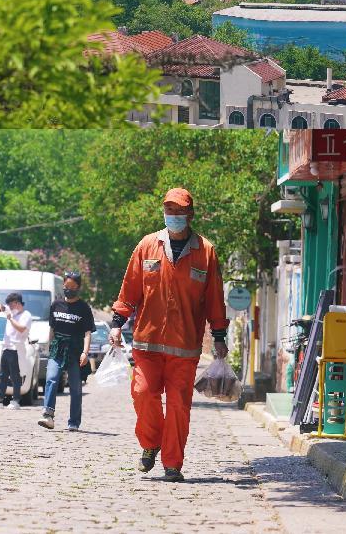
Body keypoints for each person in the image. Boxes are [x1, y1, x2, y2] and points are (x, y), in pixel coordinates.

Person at [107, 187, 229, 482]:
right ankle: (150, 444)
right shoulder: (148, 245)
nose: (173, 216)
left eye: (179, 211)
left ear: (190, 215)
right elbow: (131, 288)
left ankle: (172, 464)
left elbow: (214, 298)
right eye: (169, 210)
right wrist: (116, 321)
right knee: (143, 393)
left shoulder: (206, 252)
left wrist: (219, 336)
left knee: (178, 407)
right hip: (147, 342)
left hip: (185, 348)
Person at [39, 273, 95, 431]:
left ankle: (74, 422)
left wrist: (85, 352)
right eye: (66, 287)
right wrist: (50, 347)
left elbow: (87, 333)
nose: (68, 290)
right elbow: (52, 328)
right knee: (51, 378)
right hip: (58, 348)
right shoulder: (56, 304)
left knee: (75, 388)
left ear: (78, 288)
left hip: (75, 350)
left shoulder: (84, 308)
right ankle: (48, 415)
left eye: (72, 287)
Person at [0, 293, 33, 408]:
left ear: (17, 303)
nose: (9, 307)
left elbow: (21, 329)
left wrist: (10, 318)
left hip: (16, 349)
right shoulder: (11, 312)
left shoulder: (26, 315)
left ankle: (16, 400)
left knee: (15, 376)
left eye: (11, 305)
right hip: (6, 348)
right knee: (3, 375)